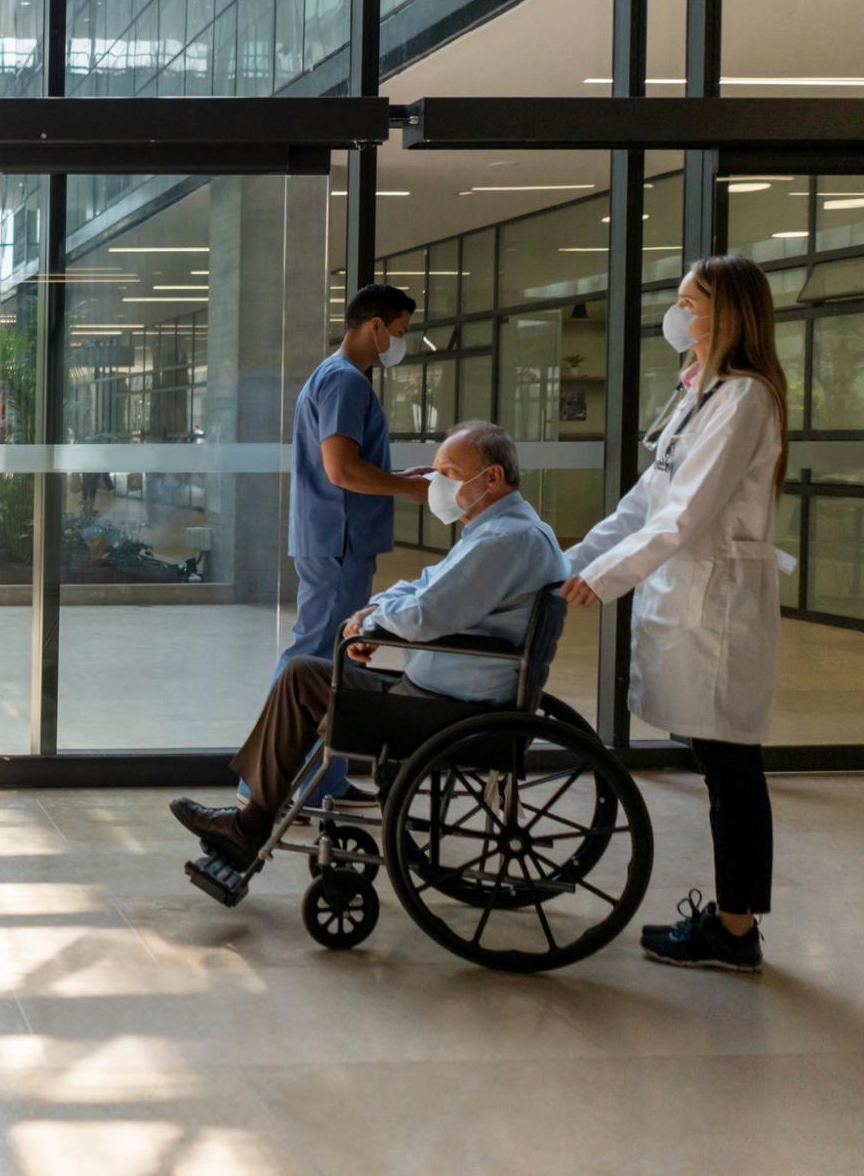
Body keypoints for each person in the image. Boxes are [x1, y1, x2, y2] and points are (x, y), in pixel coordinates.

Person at [171, 422, 567, 868]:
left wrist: (371, 625)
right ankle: (251, 822)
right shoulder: (501, 530)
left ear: (491, 478)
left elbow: (424, 615)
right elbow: (422, 586)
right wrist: (370, 616)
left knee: (302, 679)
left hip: (448, 711)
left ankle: (249, 826)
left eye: (449, 473)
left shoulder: (505, 542)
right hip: (445, 696)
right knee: (304, 673)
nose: (436, 484)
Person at [560, 254, 787, 973]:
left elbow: (686, 516)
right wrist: (570, 560)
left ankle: (736, 929)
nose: (677, 314)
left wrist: (606, 579)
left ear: (726, 315)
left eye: (689, 302)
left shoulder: (745, 398)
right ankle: (734, 923)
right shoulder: (701, 393)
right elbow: (643, 503)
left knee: (731, 772)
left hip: (717, 609)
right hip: (690, 600)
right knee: (721, 766)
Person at [272, 283, 431, 804]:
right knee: (318, 663)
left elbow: (346, 464)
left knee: (322, 660)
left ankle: (319, 784)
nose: (401, 343)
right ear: (376, 326)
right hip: (339, 542)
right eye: (401, 332)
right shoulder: (347, 383)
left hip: (331, 538)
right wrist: (405, 487)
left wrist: (396, 474)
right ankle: (283, 786)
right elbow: (342, 470)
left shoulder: (333, 376)